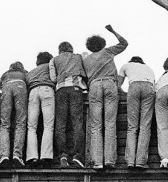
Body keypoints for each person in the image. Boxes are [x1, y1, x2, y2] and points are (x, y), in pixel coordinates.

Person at [82, 25, 128, 169]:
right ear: (103, 44)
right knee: (110, 123)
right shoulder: (108, 52)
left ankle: (97, 162)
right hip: (109, 84)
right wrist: (113, 31)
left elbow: (83, 78)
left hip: (94, 86)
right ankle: (109, 160)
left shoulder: (86, 60)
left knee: (96, 126)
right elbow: (124, 43)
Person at [49, 41, 87, 168]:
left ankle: (63, 155)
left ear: (59, 50)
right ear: (71, 48)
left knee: (60, 125)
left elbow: (53, 78)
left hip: (60, 90)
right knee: (77, 124)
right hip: (76, 89)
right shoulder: (78, 57)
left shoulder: (54, 60)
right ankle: (77, 156)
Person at [118, 56, 156, 169]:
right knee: (145, 126)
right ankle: (141, 161)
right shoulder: (148, 68)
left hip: (133, 87)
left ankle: (130, 161)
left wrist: (125, 94)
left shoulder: (126, 65)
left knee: (132, 127)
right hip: (149, 87)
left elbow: (118, 84)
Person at [26, 52, 56, 168]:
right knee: (48, 125)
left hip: (33, 92)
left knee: (31, 127)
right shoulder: (50, 67)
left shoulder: (31, 72)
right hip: (47, 90)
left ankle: (32, 156)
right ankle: (46, 156)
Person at [0, 61, 28, 168]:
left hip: (6, 86)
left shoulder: (5, 74)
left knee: (4, 124)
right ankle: (17, 155)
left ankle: (4, 155)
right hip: (20, 86)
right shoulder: (24, 73)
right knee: (21, 123)